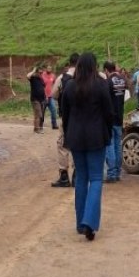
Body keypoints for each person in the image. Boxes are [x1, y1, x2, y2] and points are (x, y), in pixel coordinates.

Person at [61, 52, 113, 241]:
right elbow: (109, 113)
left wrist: (68, 134)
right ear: (94, 66)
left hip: (76, 138)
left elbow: (64, 114)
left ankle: (80, 223)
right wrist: (107, 133)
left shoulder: (69, 86)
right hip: (96, 137)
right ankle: (89, 222)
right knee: (97, 178)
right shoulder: (101, 85)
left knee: (81, 178)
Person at [50, 53, 79, 187]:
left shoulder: (62, 78)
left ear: (69, 63)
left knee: (62, 144)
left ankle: (63, 176)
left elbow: (54, 94)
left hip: (66, 117)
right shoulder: (84, 78)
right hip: (81, 117)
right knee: (77, 145)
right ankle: (77, 175)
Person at [103, 60, 127, 183]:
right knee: (118, 145)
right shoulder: (122, 79)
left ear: (106, 70)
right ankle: (117, 172)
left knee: (110, 146)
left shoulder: (107, 82)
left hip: (110, 118)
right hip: (120, 117)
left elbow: (105, 102)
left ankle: (111, 174)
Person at [26, 63, 46, 133]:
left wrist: (44, 98)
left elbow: (43, 87)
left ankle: (37, 128)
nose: (41, 73)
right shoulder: (33, 78)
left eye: (41, 72)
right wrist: (33, 70)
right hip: (35, 99)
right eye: (39, 72)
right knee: (38, 114)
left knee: (38, 114)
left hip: (42, 99)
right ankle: (37, 129)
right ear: (36, 72)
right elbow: (28, 76)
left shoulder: (40, 79)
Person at [42, 64, 58, 129]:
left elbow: (55, 84)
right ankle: (40, 124)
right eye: (48, 68)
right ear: (46, 68)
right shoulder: (42, 75)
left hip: (50, 96)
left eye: (50, 68)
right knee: (42, 111)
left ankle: (54, 125)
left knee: (54, 110)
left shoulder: (53, 76)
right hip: (43, 96)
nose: (49, 69)